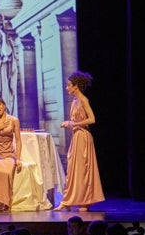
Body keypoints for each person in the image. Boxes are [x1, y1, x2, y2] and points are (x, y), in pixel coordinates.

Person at [54, 71, 105, 212]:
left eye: (69, 85)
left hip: (83, 136)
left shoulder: (83, 100)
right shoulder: (75, 101)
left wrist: (72, 124)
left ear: (76, 86)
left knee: (83, 170)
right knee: (73, 169)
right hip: (77, 136)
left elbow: (92, 119)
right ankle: (68, 200)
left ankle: (85, 201)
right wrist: (71, 123)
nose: (67, 87)